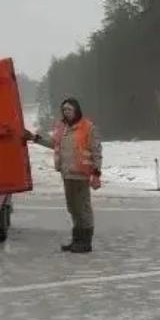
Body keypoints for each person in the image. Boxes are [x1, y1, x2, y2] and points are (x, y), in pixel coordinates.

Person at [26, 98, 102, 253]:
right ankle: (77, 240)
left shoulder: (88, 127)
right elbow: (54, 143)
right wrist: (35, 138)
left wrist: (96, 174)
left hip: (81, 175)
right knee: (73, 208)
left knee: (83, 208)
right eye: (64, 109)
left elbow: (96, 152)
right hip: (67, 174)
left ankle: (85, 242)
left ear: (76, 110)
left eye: (69, 109)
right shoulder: (62, 127)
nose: (66, 112)